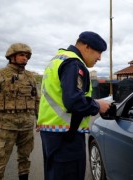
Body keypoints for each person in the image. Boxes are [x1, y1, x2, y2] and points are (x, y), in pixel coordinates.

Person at [37, 31, 111, 180]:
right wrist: (97, 105)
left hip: (51, 132)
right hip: (66, 136)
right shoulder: (73, 63)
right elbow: (74, 101)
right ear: (87, 47)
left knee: (54, 174)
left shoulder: (57, 60)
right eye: (99, 52)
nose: (100, 58)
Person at [0, 43, 40, 180]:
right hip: (7, 126)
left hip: (27, 126)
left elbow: (36, 100)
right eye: (21, 55)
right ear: (11, 56)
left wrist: (39, 120)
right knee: (0, 161)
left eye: (26, 56)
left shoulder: (30, 77)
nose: (25, 58)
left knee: (25, 159)